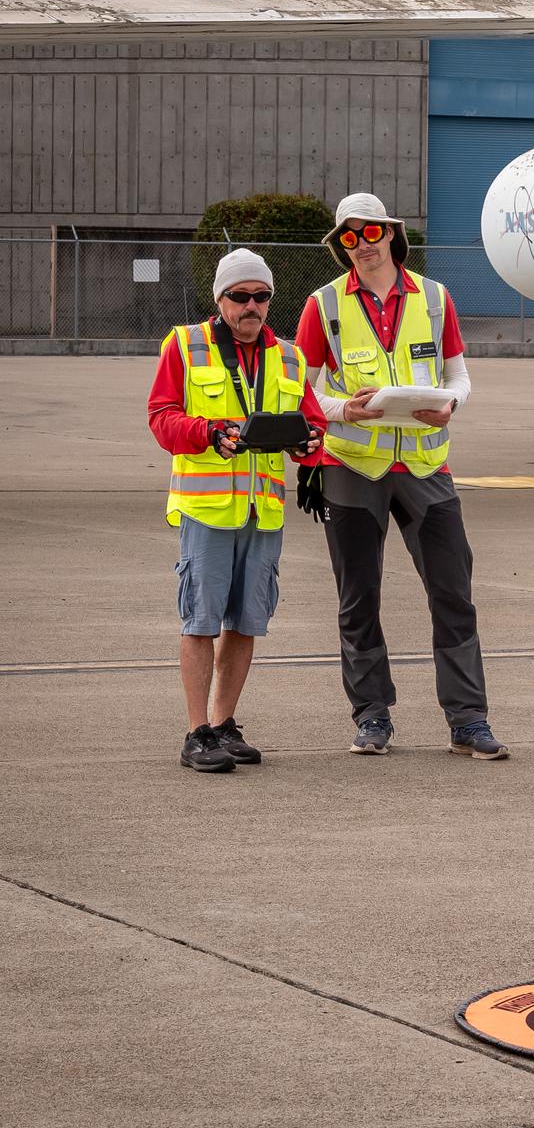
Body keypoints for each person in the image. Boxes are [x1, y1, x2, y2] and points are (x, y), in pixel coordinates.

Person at [294, 192, 508, 760]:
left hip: (424, 466)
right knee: (357, 598)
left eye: (370, 234)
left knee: (453, 593)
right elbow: (304, 388)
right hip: (353, 467)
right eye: (348, 237)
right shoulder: (323, 305)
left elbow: (459, 374)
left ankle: (468, 720)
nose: (360, 246)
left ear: (390, 234)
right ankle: (371, 716)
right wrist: (346, 411)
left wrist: (452, 406)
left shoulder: (435, 299)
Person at [149, 248, 325, 773]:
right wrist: (208, 433)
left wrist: (307, 447)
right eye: (240, 296)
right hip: (207, 510)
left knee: (247, 621)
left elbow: (313, 425)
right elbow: (162, 418)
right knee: (200, 621)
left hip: (263, 512)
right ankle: (195, 732)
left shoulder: (289, 357)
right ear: (220, 298)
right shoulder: (185, 345)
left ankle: (224, 724)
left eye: (261, 296)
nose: (252, 305)